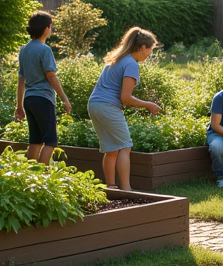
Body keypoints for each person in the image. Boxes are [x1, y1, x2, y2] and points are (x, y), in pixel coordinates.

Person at [87, 27, 162, 190]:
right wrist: (148, 104)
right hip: (108, 106)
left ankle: (111, 187)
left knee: (111, 148)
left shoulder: (118, 59)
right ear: (143, 47)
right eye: (150, 49)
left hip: (94, 105)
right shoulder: (131, 64)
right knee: (125, 146)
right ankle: (126, 189)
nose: (149, 54)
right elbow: (125, 98)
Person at [14, 11, 72, 164]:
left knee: (35, 141)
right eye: (51, 26)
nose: (51, 28)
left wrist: (19, 105)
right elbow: (51, 76)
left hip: (29, 100)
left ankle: (29, 176)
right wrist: (64, 99)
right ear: (45, 28)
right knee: (50, 141)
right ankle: (42, 177)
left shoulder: (24, 50)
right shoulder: (44, 50)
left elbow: (21, 79)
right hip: (43, 99)